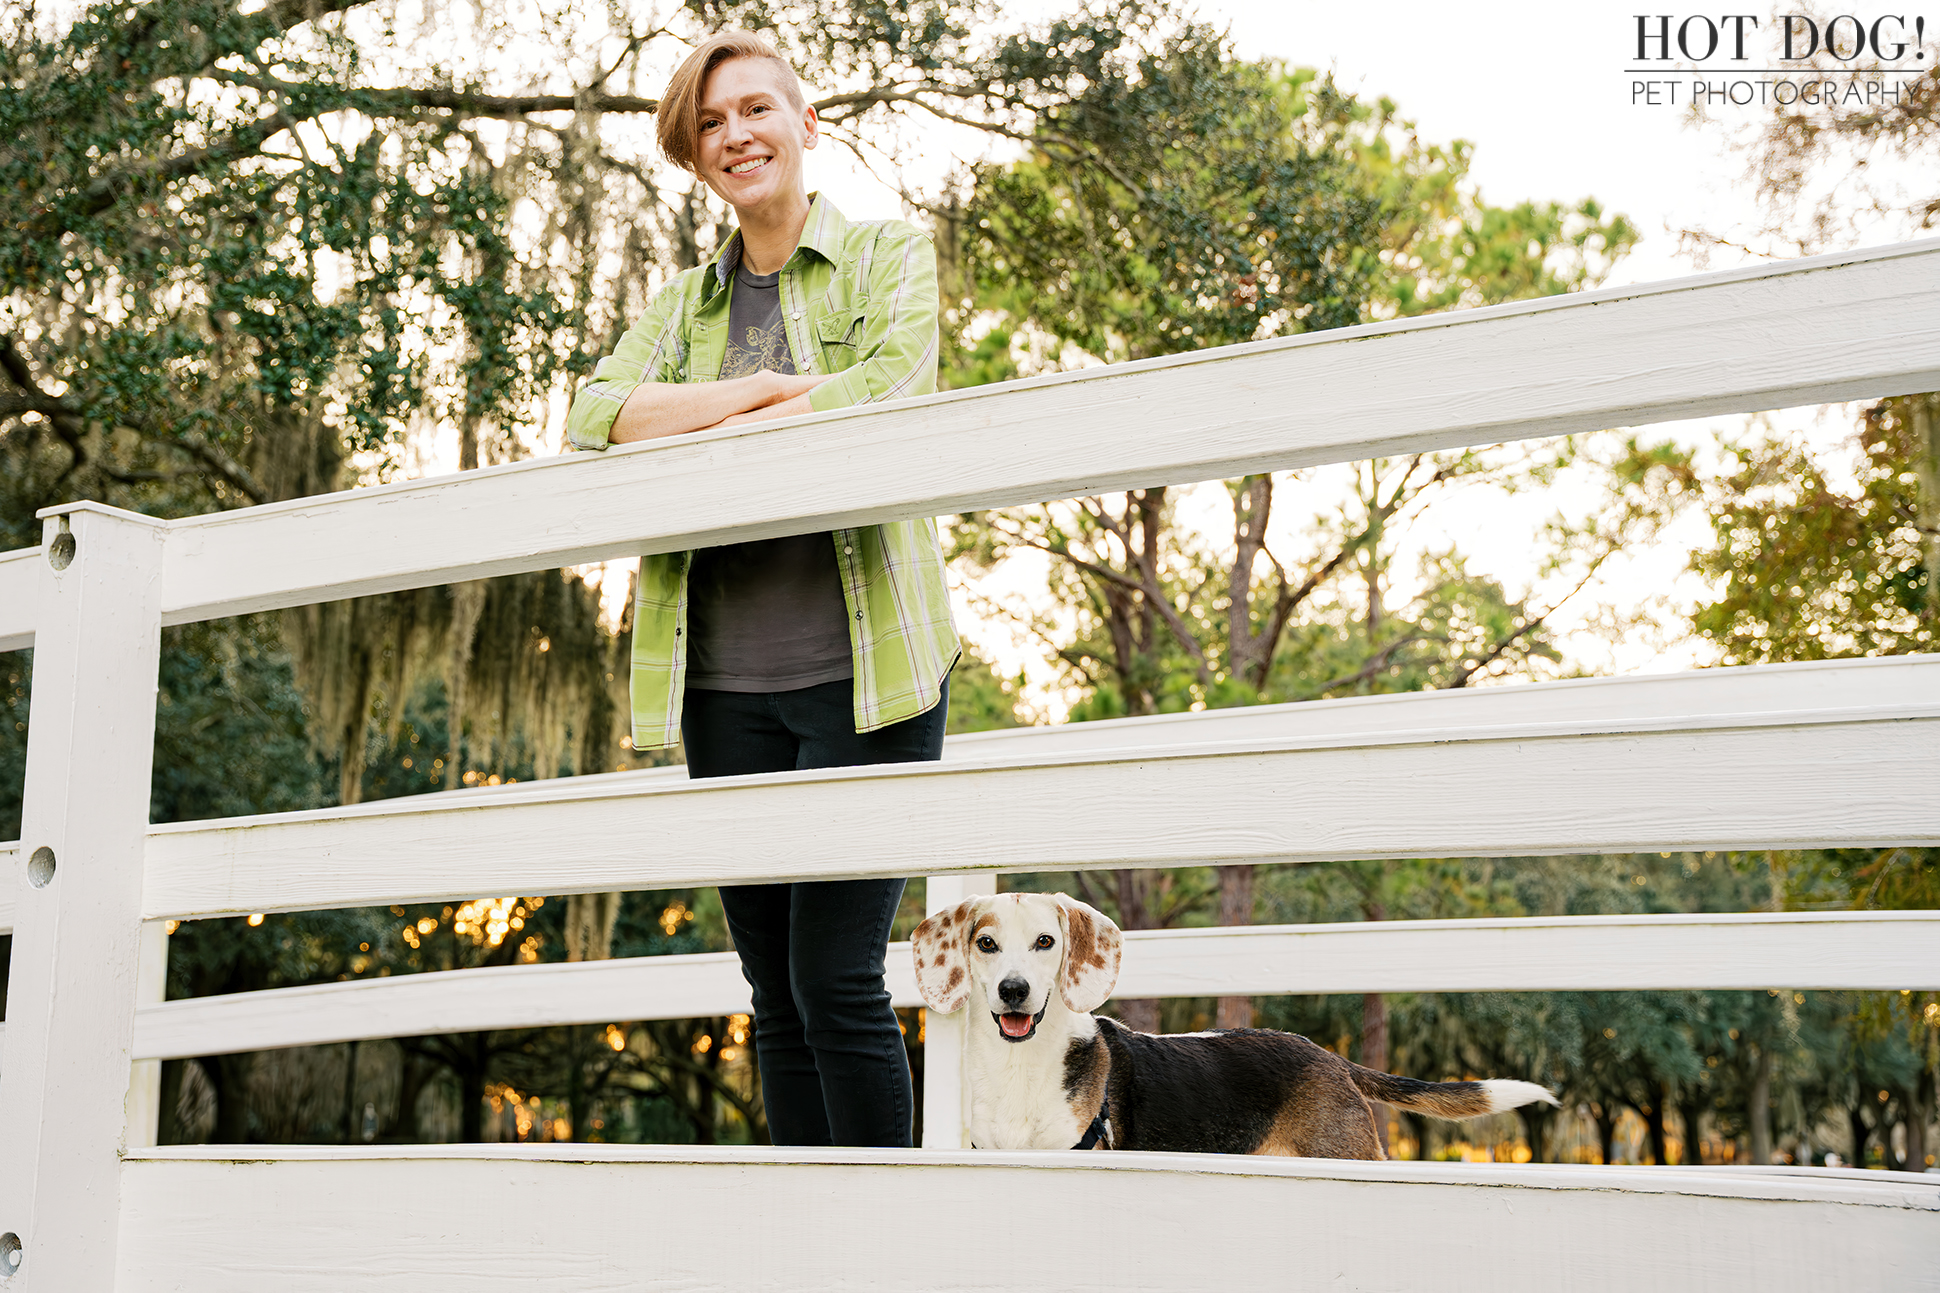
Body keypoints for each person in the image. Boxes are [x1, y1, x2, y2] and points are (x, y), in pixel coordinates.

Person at [562, 31, 957, 1149]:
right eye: (709, 124)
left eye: (753, 110)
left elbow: (893, 382)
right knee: (773, 996)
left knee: (836, 980)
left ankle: (884, 1243)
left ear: (804, 123)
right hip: (725, 691)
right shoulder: (683, 306)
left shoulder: (888, 254)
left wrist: (707, 409)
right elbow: (594, 413)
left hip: (868, 677)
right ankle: (802, 1244)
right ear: (696, 158)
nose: (734, 135)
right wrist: (769, 391)